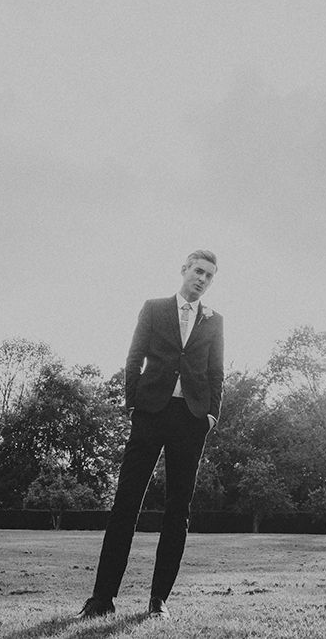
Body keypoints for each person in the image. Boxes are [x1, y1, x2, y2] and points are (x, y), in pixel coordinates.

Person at [80, 249, 224, 621]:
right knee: (125, 504)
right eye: (198, 271)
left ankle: (158, 602)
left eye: (209, 275)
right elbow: (134, 356)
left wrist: (210, 415)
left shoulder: (214, 320)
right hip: (150, 413)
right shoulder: (154, 307)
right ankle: (101, 600)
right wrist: (132, 404)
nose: (202, 279)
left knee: (178, 511)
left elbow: (216, 373)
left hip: (191, 420)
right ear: (184, 270)